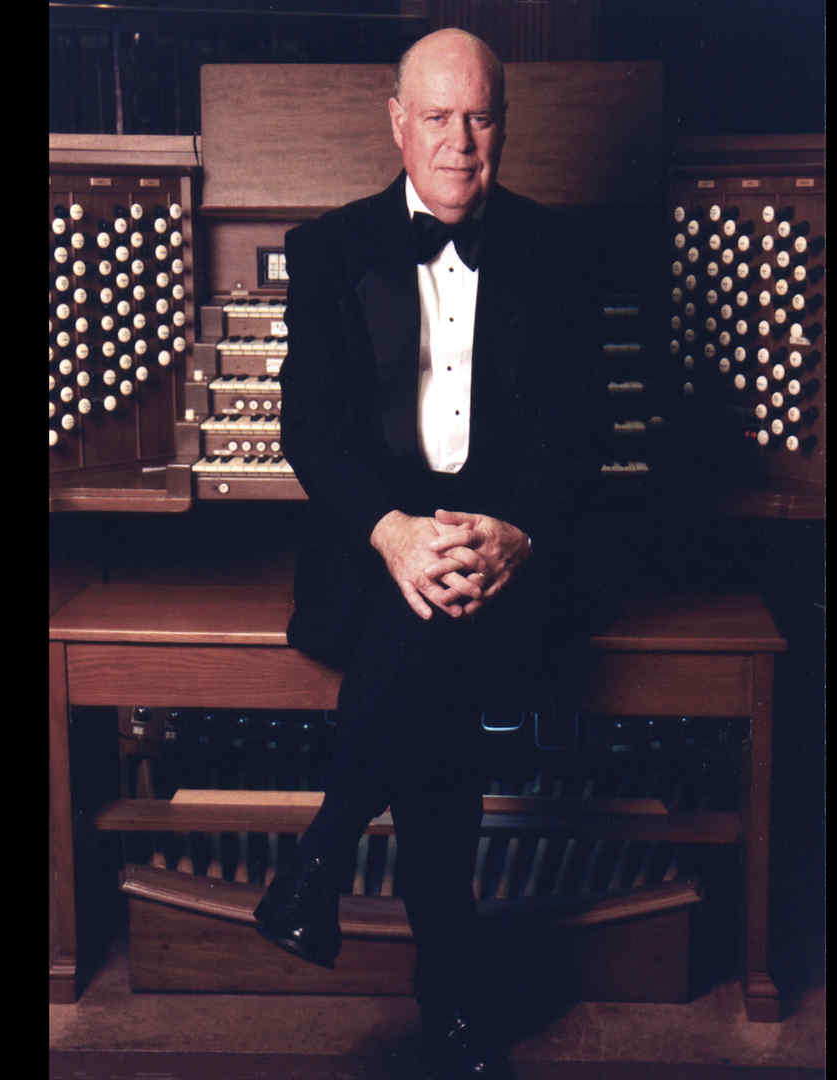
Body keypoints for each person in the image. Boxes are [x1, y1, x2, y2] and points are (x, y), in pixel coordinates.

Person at [254, 27, 599, 1080]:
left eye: (480, 117)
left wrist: (518, 532)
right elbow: (307, 431)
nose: (460, 143)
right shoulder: (328, 248)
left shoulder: (554, 249)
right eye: (438, 118)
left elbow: (587, 435)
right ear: (397, 123)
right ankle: (449, 993)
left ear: (505, 123)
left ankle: (319, 860)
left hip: (508, 551)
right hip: (374, 545)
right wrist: (396, 532)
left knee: (431, 640)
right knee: (429, 640)